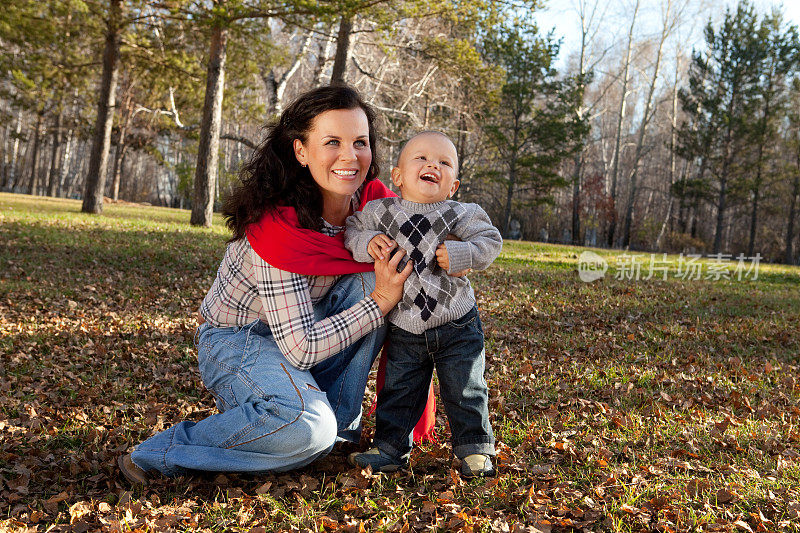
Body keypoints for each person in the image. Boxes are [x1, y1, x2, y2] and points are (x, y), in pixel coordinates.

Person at [117, 85, 415, 485]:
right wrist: (380, 301)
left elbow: (427, 236)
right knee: (306, 425)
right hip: (239, 339)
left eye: (360, 142)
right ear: (301, 151)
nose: (350, 156)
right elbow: (302, 346)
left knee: (377, 273)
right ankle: (160, 452)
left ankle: (338, 430)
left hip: (306, 323)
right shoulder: (276, 228)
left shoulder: (372, 204)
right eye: (332, 142)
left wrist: (458, 256)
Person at [344, 131, 502, 477]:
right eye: (422, 158)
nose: (433, 165)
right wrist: (369, 242)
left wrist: (463, 253)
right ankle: (390, 448)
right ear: (397, 176)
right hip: (405, 323)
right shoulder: (381, 211)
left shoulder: (459, 213)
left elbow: (491, 241)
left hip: (457, 321)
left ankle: (475, 448)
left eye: (444, 163)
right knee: (398, 389)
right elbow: (351, 230)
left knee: (466, 387)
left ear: (453, 185)